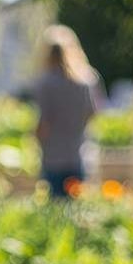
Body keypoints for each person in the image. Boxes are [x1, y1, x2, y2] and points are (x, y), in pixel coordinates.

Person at [33, 26, 103, 198]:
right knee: (76, 204)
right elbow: (93, 113)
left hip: (53, 156)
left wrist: (36, 141)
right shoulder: (86, 80)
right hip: (78, 152)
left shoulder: (45, 83)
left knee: (56, 208)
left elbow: (44, 123)